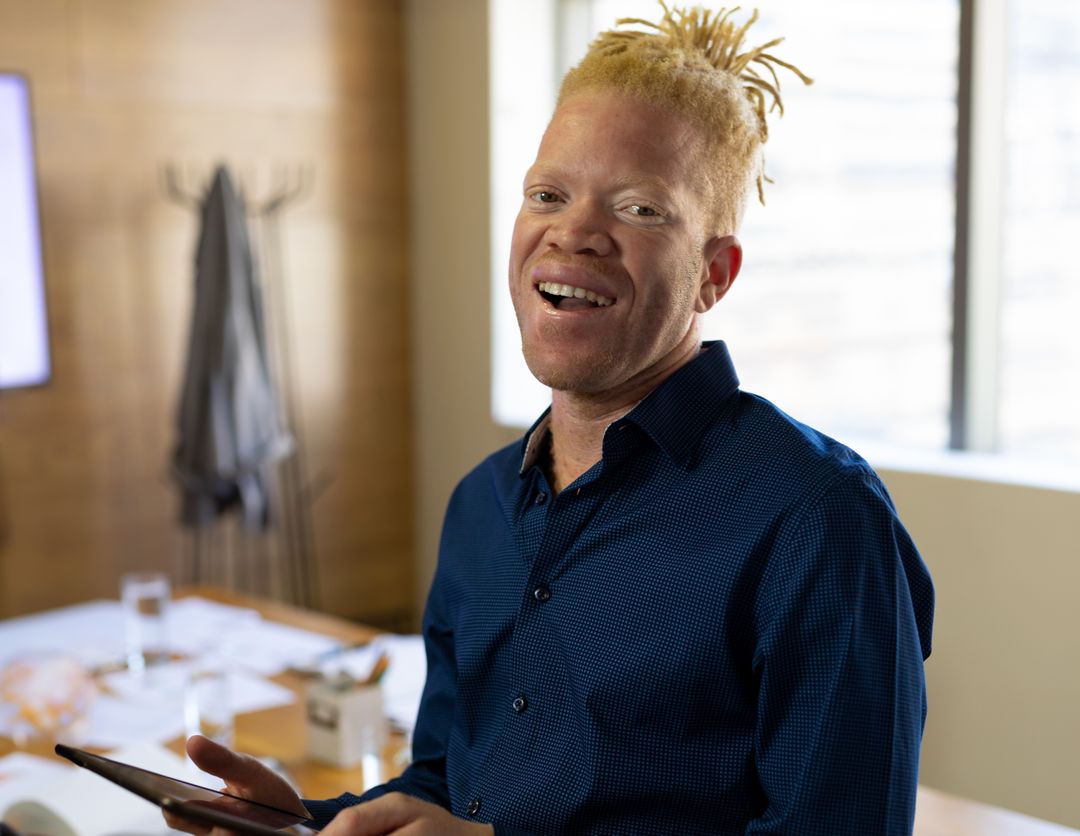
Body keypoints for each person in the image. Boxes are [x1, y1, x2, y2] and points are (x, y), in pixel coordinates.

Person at [168, 3, 934, 834]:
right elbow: (448, 786)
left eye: (640, 208)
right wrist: (309, 823)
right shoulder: (481, 505)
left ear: (715, 274)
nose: (575, 232)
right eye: (548, 193)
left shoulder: (817, 520)